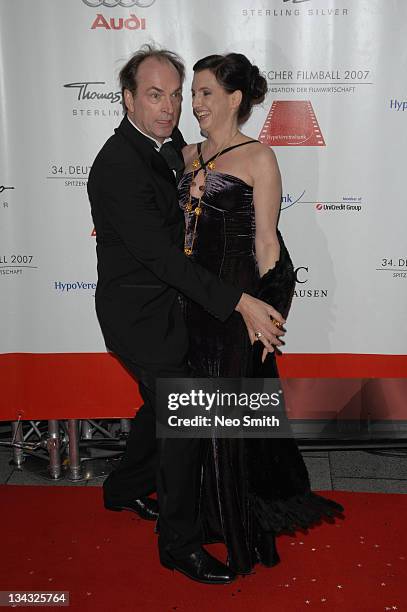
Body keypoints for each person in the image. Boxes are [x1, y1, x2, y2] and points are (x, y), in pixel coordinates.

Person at [87, 45, 286, 585]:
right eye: (155, 95)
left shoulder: (170, 145)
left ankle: (122, 488)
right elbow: (164, 258)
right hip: (141, 315)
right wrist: (239, 301)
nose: (170, 106)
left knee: (161, 407)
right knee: (187, 418)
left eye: (176, 95)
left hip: (174, 308)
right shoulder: (116, 166)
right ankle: (179, 544)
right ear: (127, 98)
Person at [179, 53, 344, 574]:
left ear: (234, 99)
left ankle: (241, 535)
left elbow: (268, 243)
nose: (196, 102)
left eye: (206, 93)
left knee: (228, 423)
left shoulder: (259, 158)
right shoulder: (184, 156)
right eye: (194, 93)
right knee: (191, 419)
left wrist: (268, 317)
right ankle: (202, 521)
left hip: (236, 310)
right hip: (189, 303)